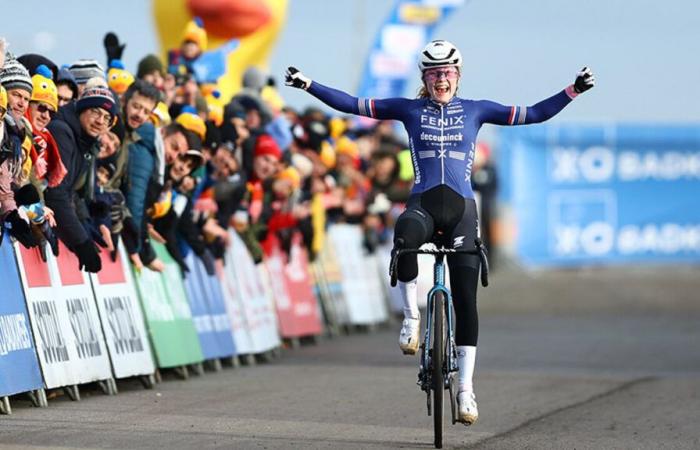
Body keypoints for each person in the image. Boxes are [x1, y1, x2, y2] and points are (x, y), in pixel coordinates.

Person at [285, 39, 595, 426]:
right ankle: (412, 318)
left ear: (458, 76)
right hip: (423, 207)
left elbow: (534, 114)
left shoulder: (477, 110)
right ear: (424, 78)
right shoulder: (408, 109)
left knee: (466, 298)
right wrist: (308, 84)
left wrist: (573, 90)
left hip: (463, 211)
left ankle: (466, 389)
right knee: (405, 235)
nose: (440, 80)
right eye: (433, 73)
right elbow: (352, 105)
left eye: (447, 72)